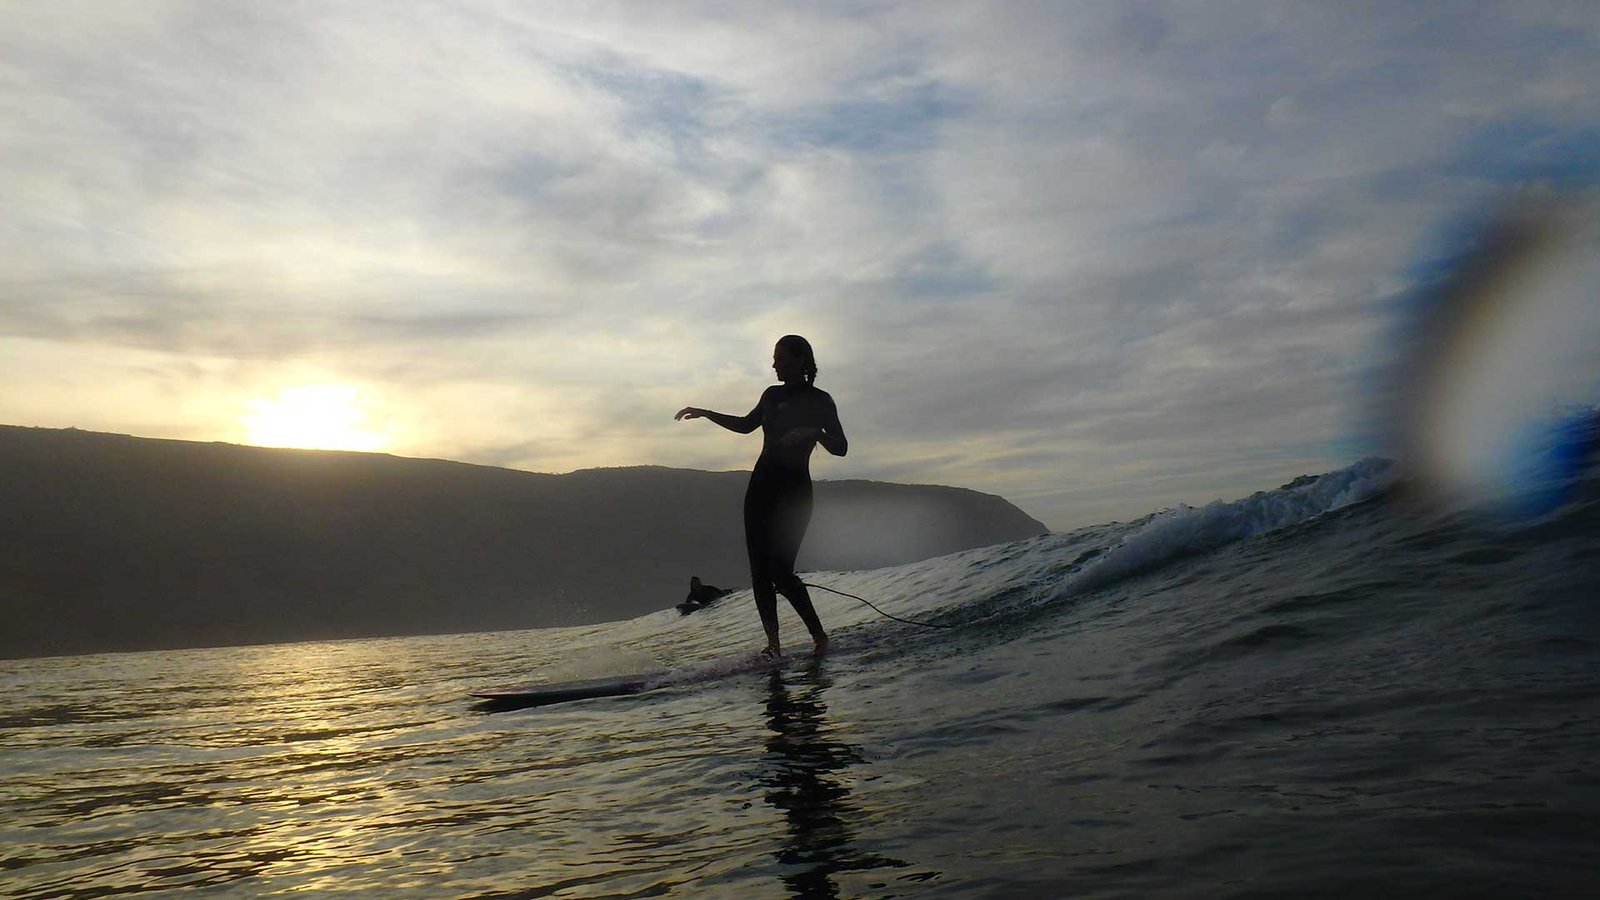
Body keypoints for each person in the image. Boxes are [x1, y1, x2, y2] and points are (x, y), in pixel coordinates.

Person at [676, 335, 848, 658]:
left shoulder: (820, 401)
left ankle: (819, 637)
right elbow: (746, 425)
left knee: (782, 573)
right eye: (774, 358)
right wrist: (706, 413)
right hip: (761, 490)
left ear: (800, 360)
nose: (774, 365)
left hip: (794, 493)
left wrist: (815, 433)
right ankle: (773, 646)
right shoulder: (771, 395)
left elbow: (841, 447)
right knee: (759, 573)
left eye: (780, 359)